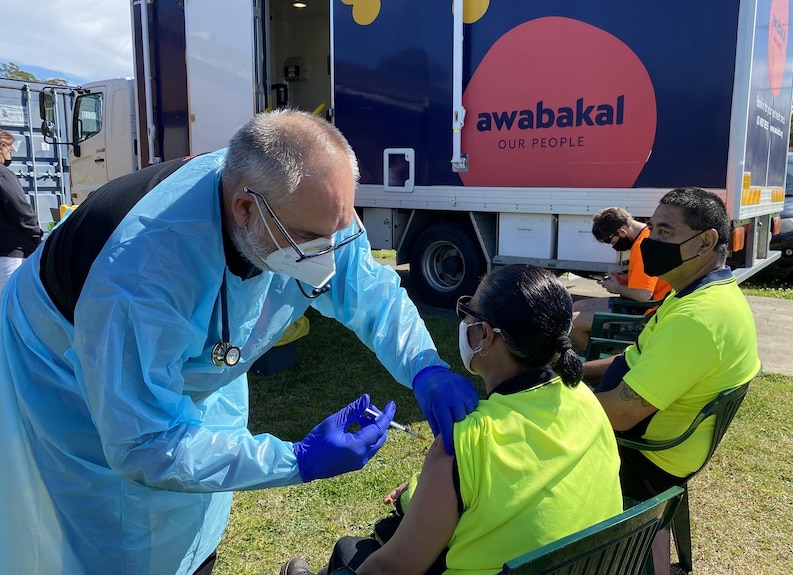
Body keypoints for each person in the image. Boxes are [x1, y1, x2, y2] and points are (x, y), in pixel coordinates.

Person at [0, 110, 478, 575]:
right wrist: (297, 460)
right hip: (62, 371)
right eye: (311, 240)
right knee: (110, 530)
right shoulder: (142, 275)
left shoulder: (306, 205)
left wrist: (424, 365)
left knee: (197, 512)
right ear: (245, 208)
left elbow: (368, 291)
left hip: (180, 357)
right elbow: (144, 443)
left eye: (340, 233)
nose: (329, 261)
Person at [284, 264, 623, 575]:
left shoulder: (464, 442)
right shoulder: (585, 400)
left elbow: (391, 569)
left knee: (349, 551)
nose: (463, 323)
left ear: (485, 335)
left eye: (466, 312)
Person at [583, 187, 761, 501]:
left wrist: (553, 402)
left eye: (665, 232)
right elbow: (636, 355)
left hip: (642, 459)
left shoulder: (696, 320)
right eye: (652, 229)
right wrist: (577, 372)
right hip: (652, 445)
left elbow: (621, 415)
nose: (651, 241)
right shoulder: (696, 294)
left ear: (705, 242)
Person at [569, 207, 671, 350]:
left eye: (612, 242)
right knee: (574, 307)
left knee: (572, 323)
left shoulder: (642, 245)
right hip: (641, 305)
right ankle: (602, 350)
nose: (613, 246)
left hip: (646, 312)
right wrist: (623, 278)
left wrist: (617, 287)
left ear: (622, 232)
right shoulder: (646, 236)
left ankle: (598, 365)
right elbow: (650, 276)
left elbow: (643, 295)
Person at [0, 129, 43, 294]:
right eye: (10, 149)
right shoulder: (3, 175)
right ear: (2, 146)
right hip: (12, 253)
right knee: (10, 304)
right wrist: (37, 237)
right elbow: (21, 209)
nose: (11, 153)